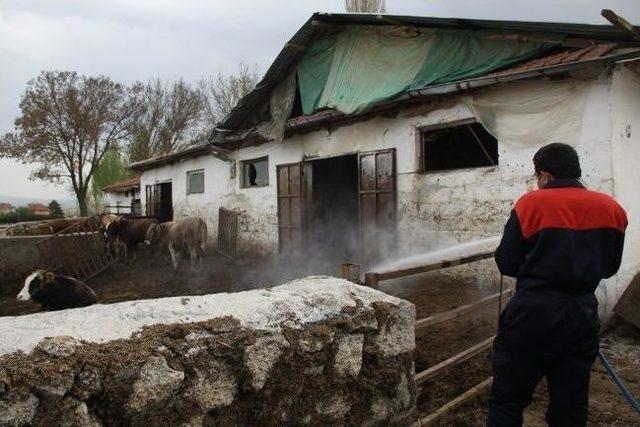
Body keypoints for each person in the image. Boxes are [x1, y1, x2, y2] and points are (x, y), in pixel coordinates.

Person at [488, 143, 627, 426]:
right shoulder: (612, 209)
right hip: (582, 314)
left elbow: (507, 262)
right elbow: (610, 267)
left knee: (508, 398)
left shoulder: (530, 204)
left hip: (533, 314)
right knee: (571, 404)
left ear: (545, 175)